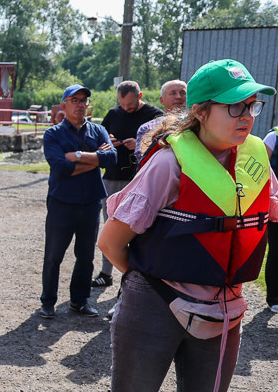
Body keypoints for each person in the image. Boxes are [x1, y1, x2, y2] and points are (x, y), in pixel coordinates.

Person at [75, 59, 277, 392]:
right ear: (202, 111)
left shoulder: (256, 162)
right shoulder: (169, 164)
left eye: (252, 105)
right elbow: (112, 242)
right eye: (235, 106)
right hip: (154, 308)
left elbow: (266, 213)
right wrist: (157, 288)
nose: (246, 116)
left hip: (225, 314)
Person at [39, 85, 117, 318]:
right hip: (62, 202)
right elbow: (60, 167)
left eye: (83, 100)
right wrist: (95, 160)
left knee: (85, 255)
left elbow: (111, 158)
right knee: (54, 255)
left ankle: (79, 301)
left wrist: (79, 156)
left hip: (90, 202)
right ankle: (48, 302)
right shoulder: (53, 134)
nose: (80, 104)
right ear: (64, 105)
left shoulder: (98, 131)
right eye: (75, 100)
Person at [92, 81, 164, 287]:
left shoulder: (155, 115)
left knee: (137, 228)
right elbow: (99, 140)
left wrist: (139, 144)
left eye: (130, 105)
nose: (126, 109)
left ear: (140, 95)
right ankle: (106, 273)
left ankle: (136, 275)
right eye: (123, 104)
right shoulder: (113, 114)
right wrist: (108, 143)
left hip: (140, 178)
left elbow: (164, 145)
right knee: (110, 226)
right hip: (113, 176)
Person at [135, 79, 187, 163]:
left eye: (183, 93)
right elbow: (142, 157)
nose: (178, 96)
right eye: (173, 93)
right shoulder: (148, 128)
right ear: (162, 100)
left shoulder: (200, 123)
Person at [264, 125, 278, 313]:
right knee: (276, 251)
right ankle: (274, 296)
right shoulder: (273, 137)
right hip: (276, 205)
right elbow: (262, 171)